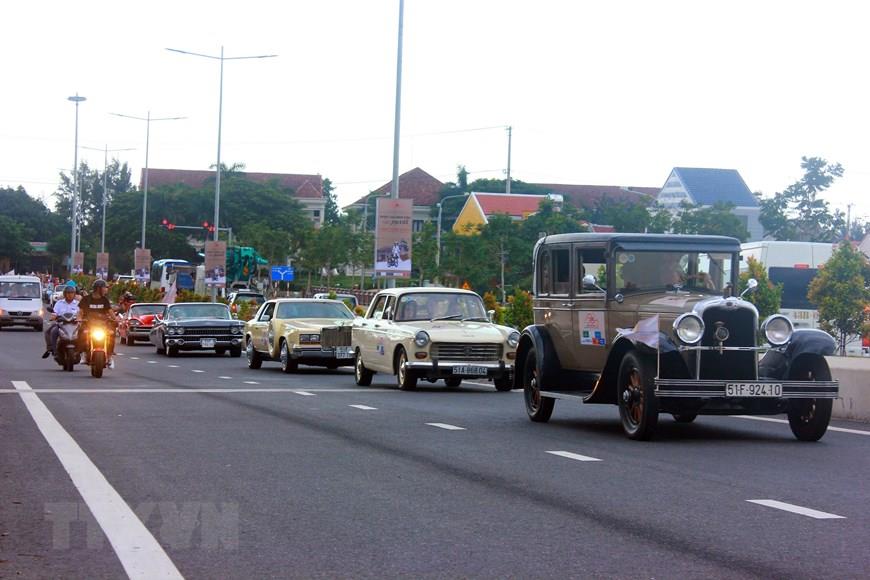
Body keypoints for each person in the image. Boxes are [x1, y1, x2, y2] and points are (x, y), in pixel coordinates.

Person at [77, 279, 118, 368]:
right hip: (89, 324)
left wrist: (116, 319)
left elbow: (110, 312)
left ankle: (109, 356)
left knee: (111, 333)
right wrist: (79, 319)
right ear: (98, 289)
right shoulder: (86, 299)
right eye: (104, 288)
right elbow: (80, 312)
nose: (106, 290)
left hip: (102, 325)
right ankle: (84, 353)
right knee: (81, 332)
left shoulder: (105, 300)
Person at [42, 285, 79, 358]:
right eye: (68, 293)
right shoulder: (59, 303)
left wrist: (82, 318)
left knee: (86, 332)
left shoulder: (78, 304)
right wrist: (54, 316)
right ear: (65, 294)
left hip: (75, 325)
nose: (70, 295)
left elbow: (82, 313)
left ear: (74, 294)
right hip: (61, 324)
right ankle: (53, 350)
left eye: (71, 293)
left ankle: (83, 351)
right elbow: (54, 313)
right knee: (52, 331)